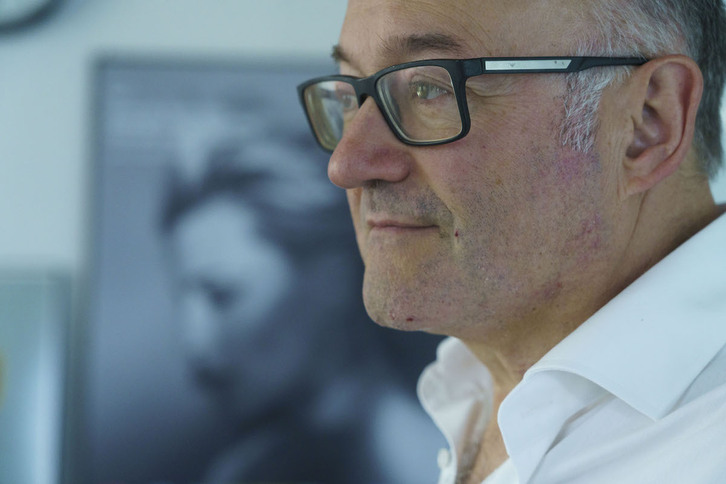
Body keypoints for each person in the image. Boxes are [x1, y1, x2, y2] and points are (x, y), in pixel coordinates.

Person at [296, 0, 726, 482]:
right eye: (352, 93)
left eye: (427, 87)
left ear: (648, 123)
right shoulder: (475, 386)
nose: (346, 165)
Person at [160, 129, 445, 483]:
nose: (194, 345)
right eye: (181, 300)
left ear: (332, 277)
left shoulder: (425, 466)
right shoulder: (253, 466)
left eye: (223, 295)